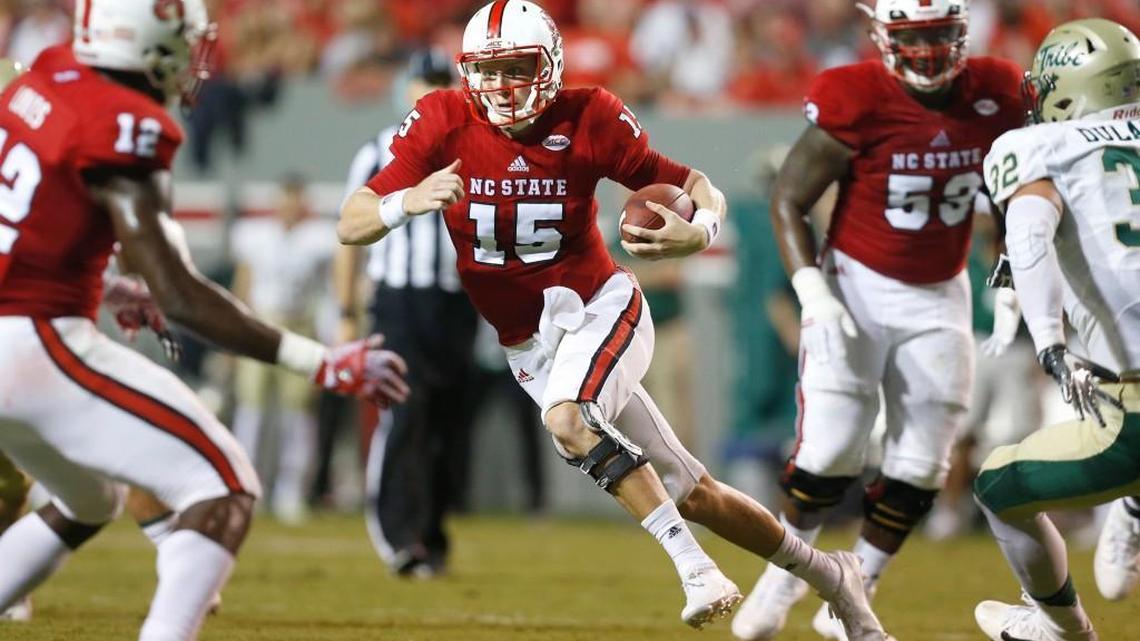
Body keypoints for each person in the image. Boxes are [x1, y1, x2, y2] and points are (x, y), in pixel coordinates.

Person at [339, 2, 890, 638]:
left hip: (599, 305)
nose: (504, 86)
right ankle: (830, 576)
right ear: (467, 73)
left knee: (568, 421)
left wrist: (699, 230)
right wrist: (406, 201)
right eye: (489, 71)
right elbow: (352, 220)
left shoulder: (588, 114)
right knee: (694, 491)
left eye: (518, 68)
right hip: (528, 343)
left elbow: (693, 183)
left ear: (549, 65)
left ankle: (695, 570)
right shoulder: (441, 116)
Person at [0, 2, 409, 640]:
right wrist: (320, 360)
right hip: (34, 344)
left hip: (13, 329)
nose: (195, 55)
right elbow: (183, 296)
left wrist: (106, 286)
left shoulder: (44, 77)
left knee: (90, 499)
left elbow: (25, 228)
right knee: (224, 485)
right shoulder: (122, 120)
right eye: (185, 39)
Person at [730, 1, 1026, 639]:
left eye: (939, 34)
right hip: (856, 284)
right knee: (829, 451)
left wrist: (1006, 277)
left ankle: (853, 595)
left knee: (925, 459)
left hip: (939, 289)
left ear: (962, 33)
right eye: (911, 36)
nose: (926, 50)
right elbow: (789, 195)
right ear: (881, 36)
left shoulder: (997, 92)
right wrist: (812, 287)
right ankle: (781, 582)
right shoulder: (856, 95)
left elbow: (1014, 190)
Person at [971, 18, 1140, 641]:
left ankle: (1064, 630)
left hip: (1134, 412)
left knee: (997, 484)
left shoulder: (1039, 147)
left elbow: (1031, 234)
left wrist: (1048, 342)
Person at [335, 47, 481, 576]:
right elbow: (348, 232)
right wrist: (346, 309)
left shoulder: (474, 145)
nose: (433, 92)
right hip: (399, 298)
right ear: (407, 90)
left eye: (442, 82)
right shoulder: (379, 150)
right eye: (426, 83)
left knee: (448, 418)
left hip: (458, 300)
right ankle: (397, 533)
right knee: (408, 410)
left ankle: (432, 536)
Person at [230, 173, 334, 524]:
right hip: (260, 323)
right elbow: (243, 283)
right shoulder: (255, 236)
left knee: (298, 413)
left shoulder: (318, 238)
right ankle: (248, 487)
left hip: (301, 325)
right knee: (252, 410)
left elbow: (330, 289)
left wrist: (330, 333)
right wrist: (234, 331)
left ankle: (292, 491)